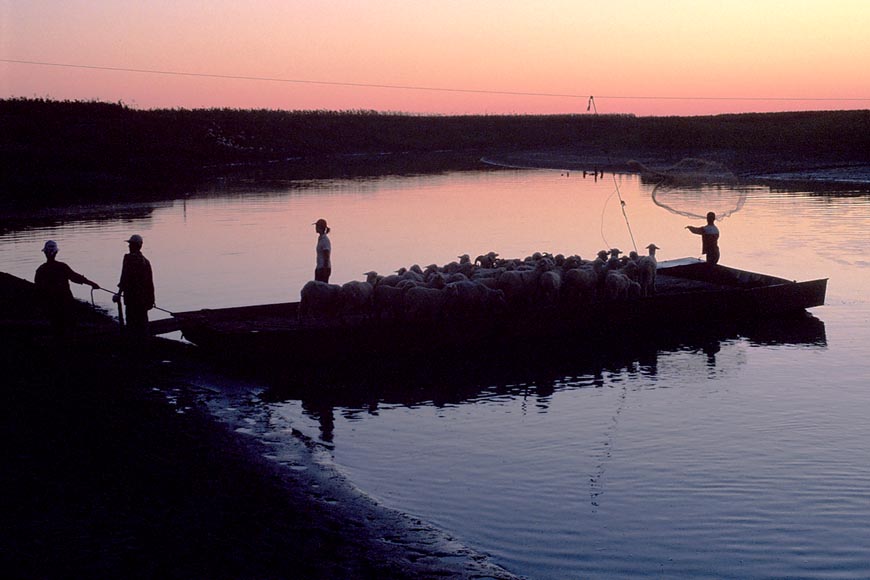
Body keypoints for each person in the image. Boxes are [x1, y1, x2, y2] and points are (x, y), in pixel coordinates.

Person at [34, 240, 100, 336]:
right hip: (66, 301)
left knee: (56, 326)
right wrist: (92, 283)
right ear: (56, 252)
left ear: (44, 253)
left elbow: (38, 289)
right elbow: (75, 277)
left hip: (50, 304)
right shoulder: (62, 267)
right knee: (69, 325)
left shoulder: (41, 270)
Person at [116, 234, 155, 336]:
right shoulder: (146, 262)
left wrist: (119, 294)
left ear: (136, 246)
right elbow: (150, 283)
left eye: (131, 244)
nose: (129, 246)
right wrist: (151, 301)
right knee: (142, 324)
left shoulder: (128, 259)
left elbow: (124, 278)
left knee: (132, 324)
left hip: (131, 299)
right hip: (142, 300)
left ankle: (134, 345)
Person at [313, 218, 332, 283]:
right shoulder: (320, 238)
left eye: (317, 226)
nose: (315, 228)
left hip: (323, 269)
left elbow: (326, 255)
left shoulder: (325, 240)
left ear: (320, 228)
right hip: (319, 267)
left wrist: (325, 270)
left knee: (322, 289)